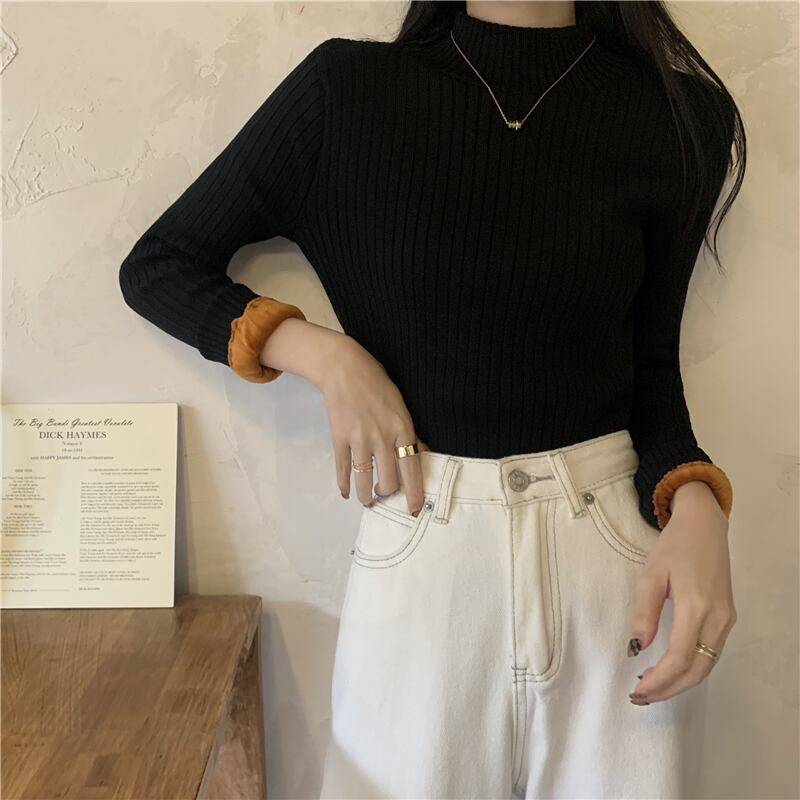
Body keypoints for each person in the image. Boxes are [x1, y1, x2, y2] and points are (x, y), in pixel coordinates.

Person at [118, 1, 745, 797]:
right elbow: (160, 264)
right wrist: (327, 356)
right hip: (425, 549)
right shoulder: (346, 94)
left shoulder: (679, 116)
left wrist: (697, 501)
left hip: (616, 572)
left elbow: (651, 371)